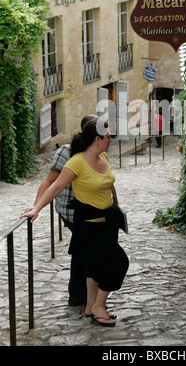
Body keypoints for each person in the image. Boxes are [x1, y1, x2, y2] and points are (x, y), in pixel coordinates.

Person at [21, 119, 128, 327]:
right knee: (119, 263)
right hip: (89, 225)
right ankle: (99, 306)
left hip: (108, 221)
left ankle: (90, 306)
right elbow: (54, 186)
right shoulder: (76, 162)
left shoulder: (102, 156)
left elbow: (108, 184)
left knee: (95, 266)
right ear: (97, 139)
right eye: (107, 136)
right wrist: (37, 207)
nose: (111, 139)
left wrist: (117, 205)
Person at [33, 114, 98, 307]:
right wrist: (36, 206)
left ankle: (77, 295)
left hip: (88, 210)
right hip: (70, 211)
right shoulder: (65, 152)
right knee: (87, 251)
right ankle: (85, 296)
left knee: (81, 250)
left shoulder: (96, 151)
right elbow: (49, 181)